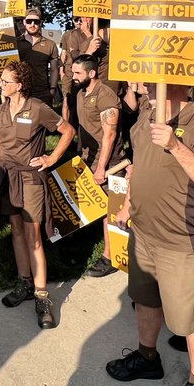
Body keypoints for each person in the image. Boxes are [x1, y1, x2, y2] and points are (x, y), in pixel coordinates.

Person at [106, 82, 194, 386]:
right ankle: (147, 357)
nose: (138, 82)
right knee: (145, 299)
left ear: (176, 79)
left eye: (146, 75)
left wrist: (175, 144)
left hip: (184, 240)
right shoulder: (146, 113)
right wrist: (129, 203)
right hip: (145, 232)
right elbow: (139, 164)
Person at [0, 60, 75, 329]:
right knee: (15, 230)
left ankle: (42, 295)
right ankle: (24, 283)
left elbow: (68, 131)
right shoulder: (1, 111)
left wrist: (51, 158)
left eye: (5, 81)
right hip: (7, 177)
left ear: (19, 85)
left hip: (31, 179)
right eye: (1, 81)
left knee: (33, 235)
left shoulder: (37, 108)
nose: (1, 85)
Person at [72, 55, 138, 279]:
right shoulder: (81, 93)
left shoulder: (106, 95)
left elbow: (109, 135)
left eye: (78, 73)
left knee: (111, 212)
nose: (74, 77)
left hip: (109, 163)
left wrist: (101, 168)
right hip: (87, 158)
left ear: (91, 73)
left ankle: (110, 257)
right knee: (93, 204)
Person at [16, 10, 59, 107]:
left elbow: (54, 69)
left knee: (44, 121)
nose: (32, 24)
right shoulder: (15, 43)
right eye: (29, 21)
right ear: (24, 22)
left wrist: (52, 89)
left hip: (42, 92)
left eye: (36, 21)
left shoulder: (50, 44)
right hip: (20, 90)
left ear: (41, 23)